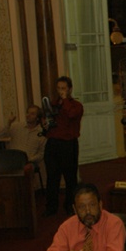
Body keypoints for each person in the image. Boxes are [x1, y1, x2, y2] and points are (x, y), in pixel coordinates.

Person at [43, 183, 126, 251]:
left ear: (100, 204)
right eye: (82, 207)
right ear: (74, 209)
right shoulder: (67, 226)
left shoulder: (114, 223)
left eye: (92, 205)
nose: (88, 212)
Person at [42, 76, 84, 216]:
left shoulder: (76, 105)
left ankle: (70, 206)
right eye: (59, 88)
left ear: (70, 89)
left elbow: (71, 115)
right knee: (52, 177)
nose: (61, 91)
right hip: (53, 144)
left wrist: (65, 100)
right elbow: (47, 123)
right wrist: (45, 125)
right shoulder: (53, 105)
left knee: (70, 177)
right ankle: (51, 207)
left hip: (68, 144)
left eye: (63, 88)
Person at [0, 105, 47, 185]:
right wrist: (9, 122)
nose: (28, 115)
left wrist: (30, 159)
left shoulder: (41, 133)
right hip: (13, 160)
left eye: (32, 114)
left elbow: (41, 154)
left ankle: (27, 194)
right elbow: (0, 135)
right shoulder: (16, 126)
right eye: (27, 113)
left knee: (27, 169)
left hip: (29, 161)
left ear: (37, 118)